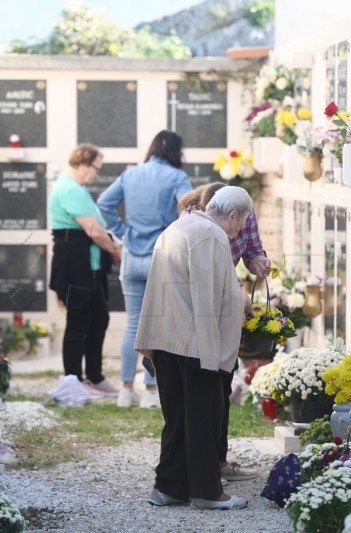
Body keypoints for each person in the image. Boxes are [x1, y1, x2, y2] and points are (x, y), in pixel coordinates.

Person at [135, 186, 252, 510]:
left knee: (178, 418)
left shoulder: (180, 226)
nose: (238, 231)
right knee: (203, 417)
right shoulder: (211, 235)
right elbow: (209, 296)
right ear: (231, 215)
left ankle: (170, 487)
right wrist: (215, 351)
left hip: (167, 337)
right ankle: (206, 492)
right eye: (240, 225)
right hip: (193, 342)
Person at [97, 131, 192, 409]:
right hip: (160, 256)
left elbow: (104, 202)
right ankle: (151, 390)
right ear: (176, 151)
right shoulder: (177, 177)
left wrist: (122, 232)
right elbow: (188, 209)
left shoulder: (130, 174)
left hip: (131, 256)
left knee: (133, 325)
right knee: (157, 326)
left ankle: (125, 390)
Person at [199, 182, 272, 484]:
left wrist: (260, 264)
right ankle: (202, 464)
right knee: (205, 386)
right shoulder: (195, 222)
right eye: (239, 221)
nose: (240, 227)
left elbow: (253, 253)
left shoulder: (246, 214)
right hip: (204, 306)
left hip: (230, 305)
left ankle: (218, 461)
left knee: (223, 384)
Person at [48, 143, 121, 399]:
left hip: (89, 266)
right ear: (82, 162)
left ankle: (94, 377)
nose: (96, 175)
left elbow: (97, 228)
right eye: (95, 168)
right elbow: (93, 230)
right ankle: (74, 381)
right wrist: (114, 249)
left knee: (98, 319)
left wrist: (109, 244)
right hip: (76, 266)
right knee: (78, 322)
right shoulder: (69, 188)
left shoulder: (76, 189)